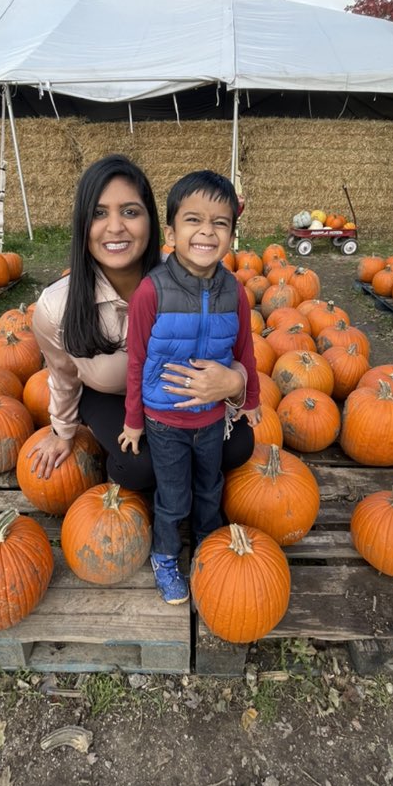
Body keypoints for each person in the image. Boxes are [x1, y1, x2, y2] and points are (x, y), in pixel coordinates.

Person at [27, 154, 255, 493]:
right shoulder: (56, 305)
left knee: (238, 445)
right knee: (141, 468)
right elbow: (62, 374)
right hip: (110, 395)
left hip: (171, 390)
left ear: (153, 221)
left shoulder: (189, 274)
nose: (116, 227)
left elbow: (221, 336)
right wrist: (62, 431)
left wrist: (236, 383)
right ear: (82, 224)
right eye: (99, 213)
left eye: (130, 212)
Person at [119, 171, 261, 605]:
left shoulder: (233, 292)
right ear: (171, 231)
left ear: (232, 234)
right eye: (193, 220)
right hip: (165, 422)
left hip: (212, 417)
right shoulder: (151, 292)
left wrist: (249, 399)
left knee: (209, 489)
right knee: (173, 496)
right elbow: (137, 360)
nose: (206, 231)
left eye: (220, 223)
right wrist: (134, 421)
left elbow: (245, 348)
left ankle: (207, 549)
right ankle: (165, 556)